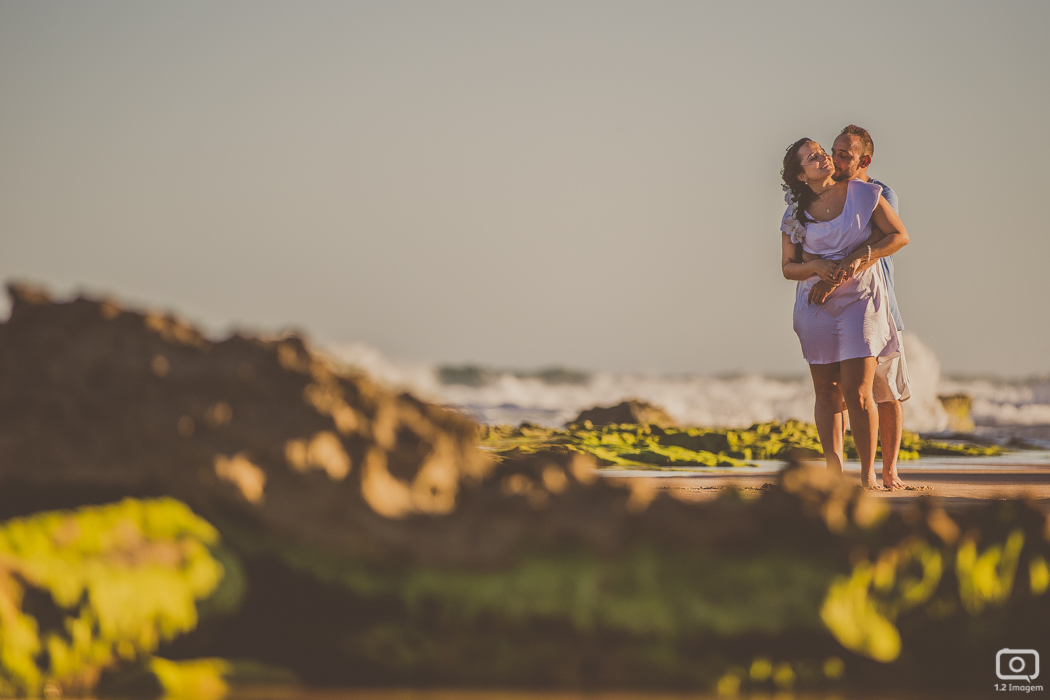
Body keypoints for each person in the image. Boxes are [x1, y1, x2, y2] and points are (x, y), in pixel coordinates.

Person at [780, 138, 910, 489]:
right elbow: (788, 268)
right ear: (800, 174)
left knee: (858, 391)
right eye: (812, 157)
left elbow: (899, 236)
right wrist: (817, 266)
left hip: (861, 300)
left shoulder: (864, 193)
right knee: (826, 392)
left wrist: (855, 259)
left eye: (821, 151)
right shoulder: (795, 212)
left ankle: (869, 475)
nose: (822, 157)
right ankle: (834, 475)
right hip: (815, 306)